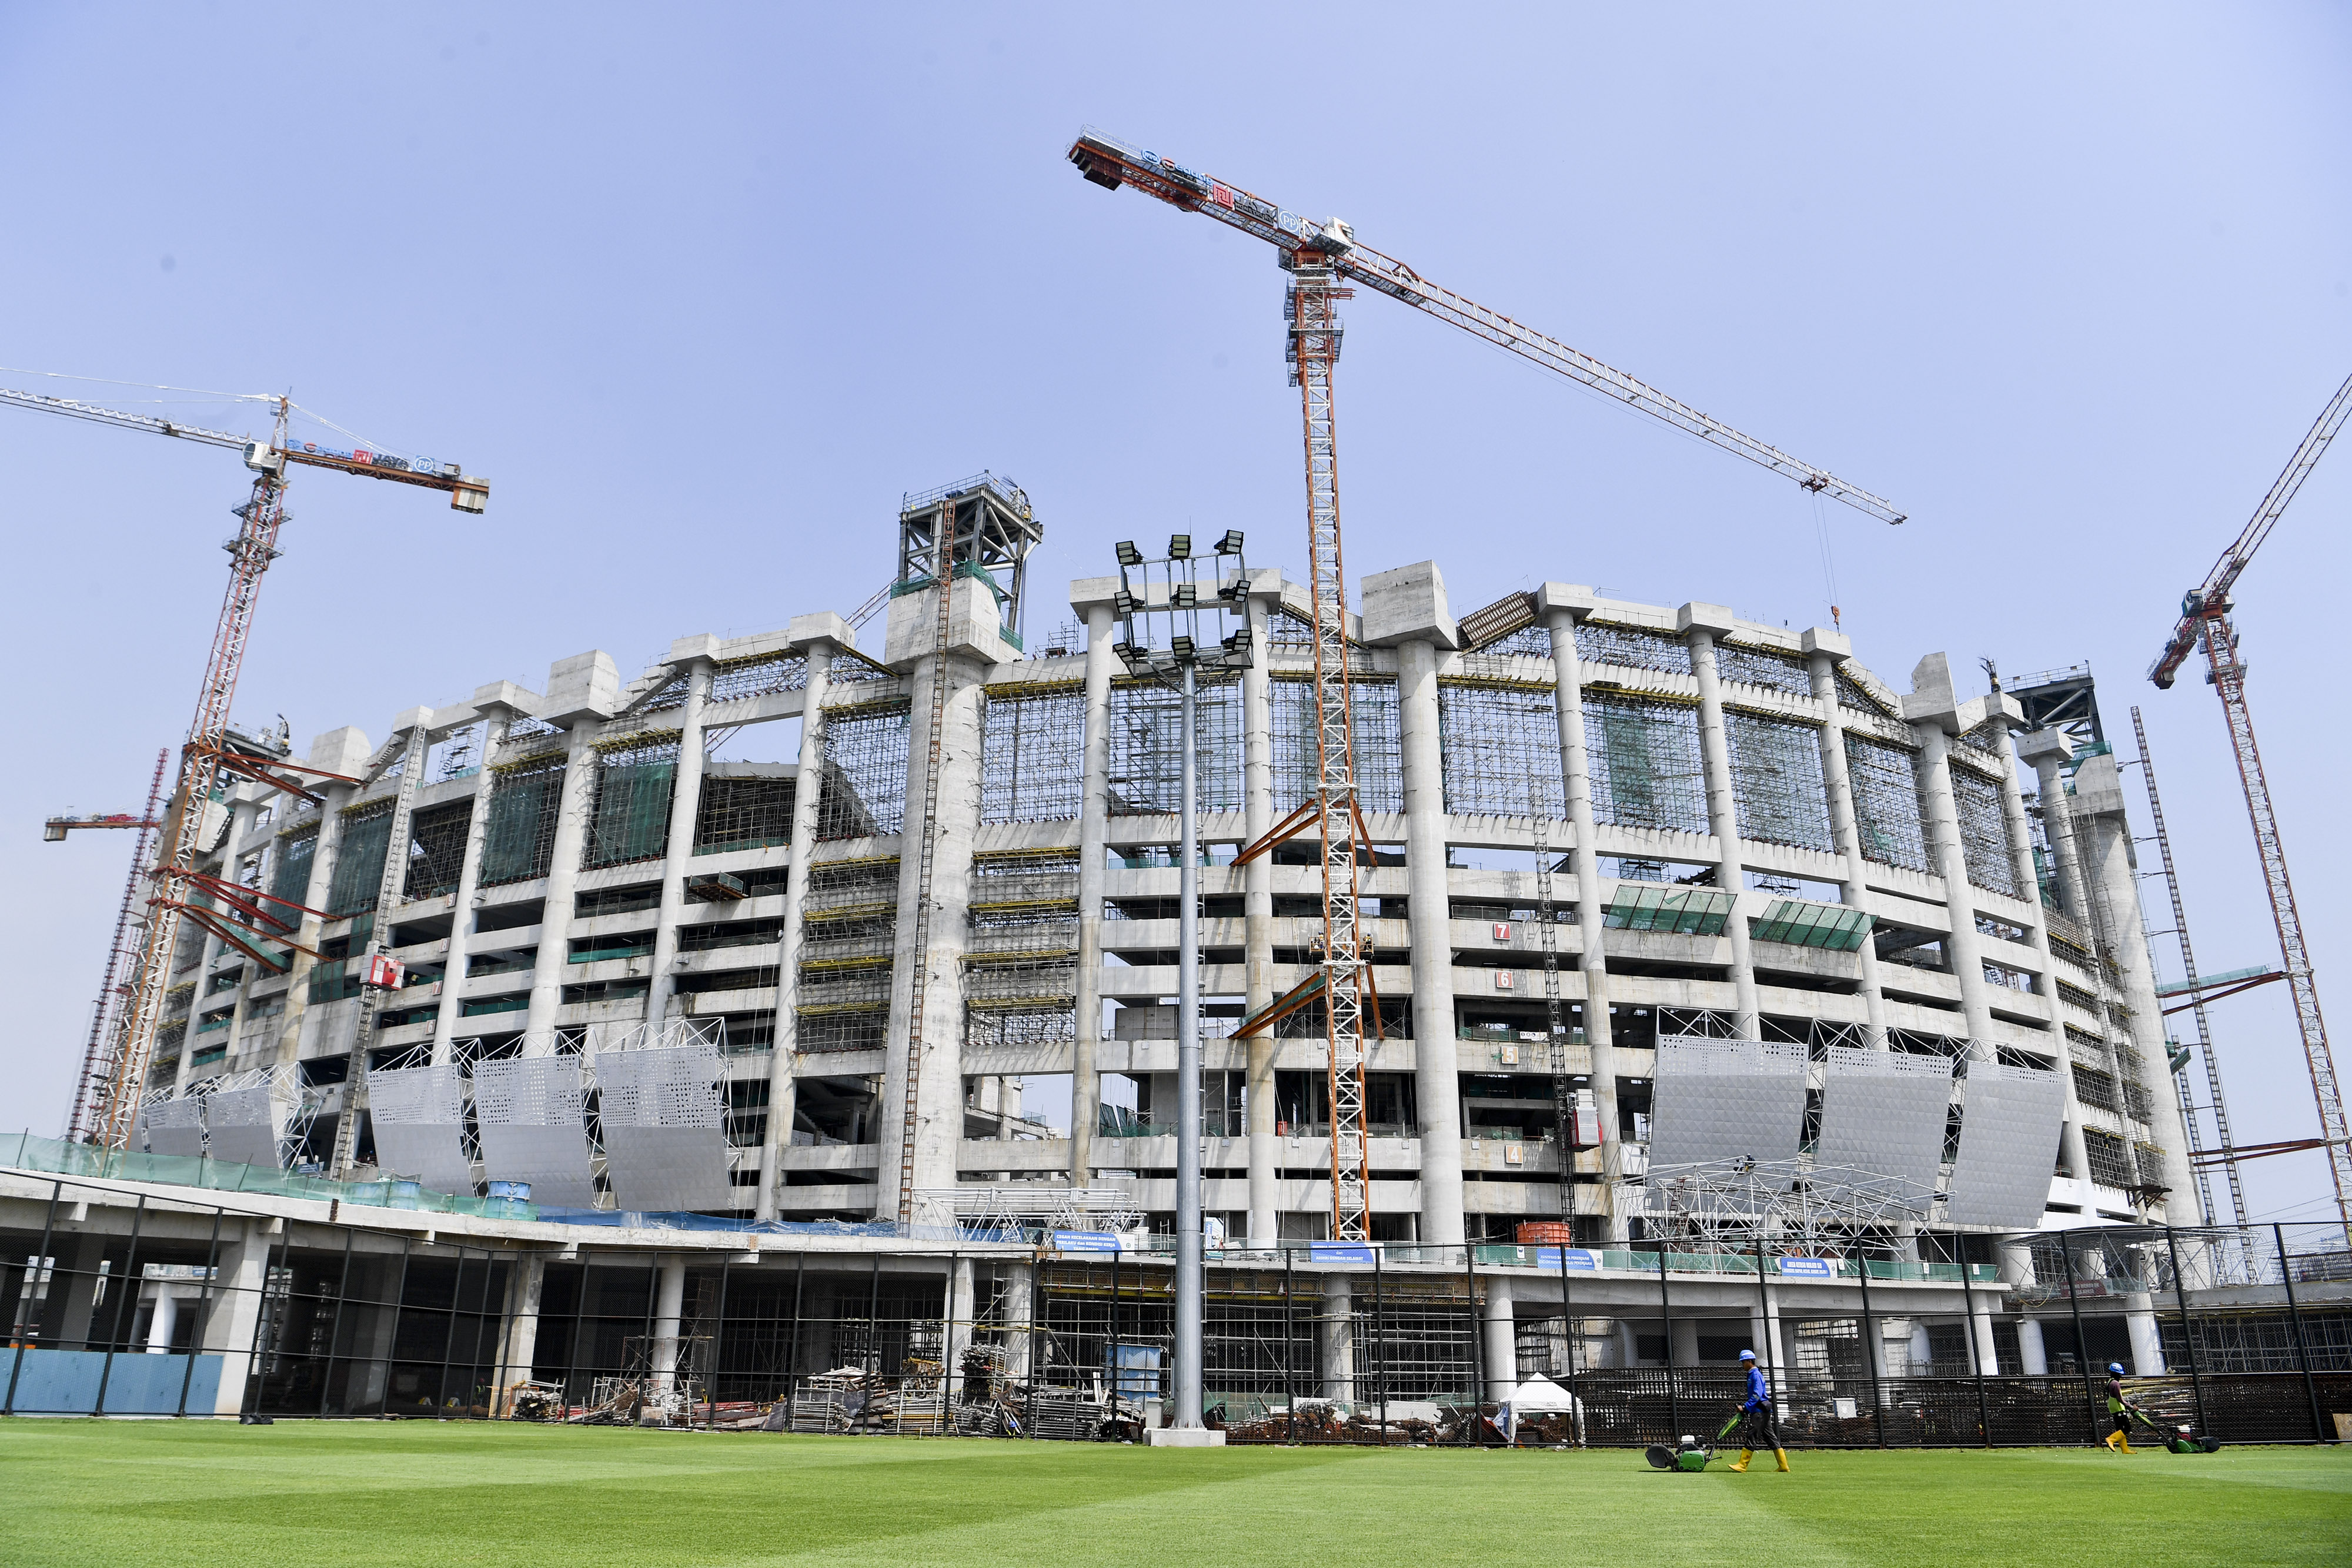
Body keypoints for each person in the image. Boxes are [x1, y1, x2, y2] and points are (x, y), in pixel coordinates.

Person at [1726, 1349, 1789, 1473]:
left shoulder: (1755, 1375)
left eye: (1743, 1362)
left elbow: (1757, 1394)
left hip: (1759, 1412)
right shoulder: (1752, 1374)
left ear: (1750, 1361)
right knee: (1771, 1438)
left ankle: (1742, 1465)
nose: (1742, 1365)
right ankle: (1784, 1466)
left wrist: (1745, 1407)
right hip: (1761, 1411)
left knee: (1752, 1435)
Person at [2102, 1362, 2139, 1455]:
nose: (2121, 1376)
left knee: (2120, 1429)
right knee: (2127, 1428)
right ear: (2116, 1374)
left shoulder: (2110, 1382)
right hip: (2119, 1409)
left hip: (2113, 1409)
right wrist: (2131, 1407)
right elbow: (2120, 1399)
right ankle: (2111, 1439)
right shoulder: (2116, 1384)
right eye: (2120, 1374)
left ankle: (2125, 1449)